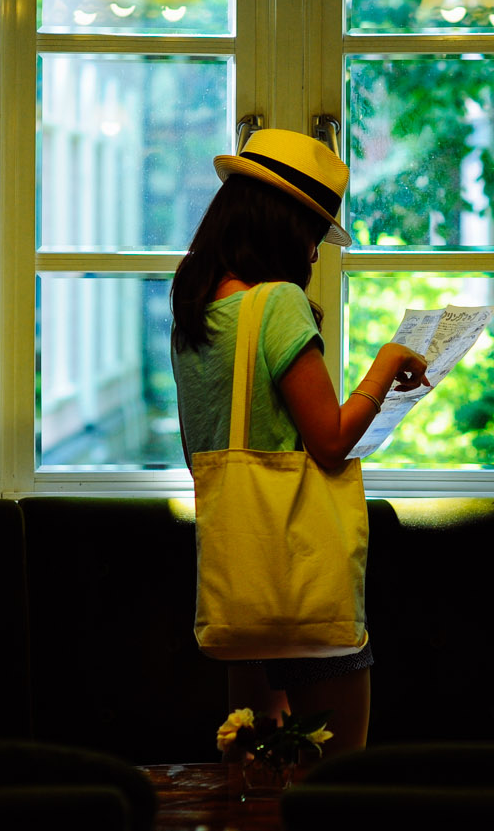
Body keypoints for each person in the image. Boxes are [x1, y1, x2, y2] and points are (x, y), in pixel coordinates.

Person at [170, 128, 430, 757]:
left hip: (244, 589)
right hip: (304, 586)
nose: (313, 254)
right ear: (277, 224)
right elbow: (331, 442)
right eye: (312, 233)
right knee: (337, 783)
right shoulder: (278, 303)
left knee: (257, 783)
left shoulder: (196, 313)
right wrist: (389, 361)